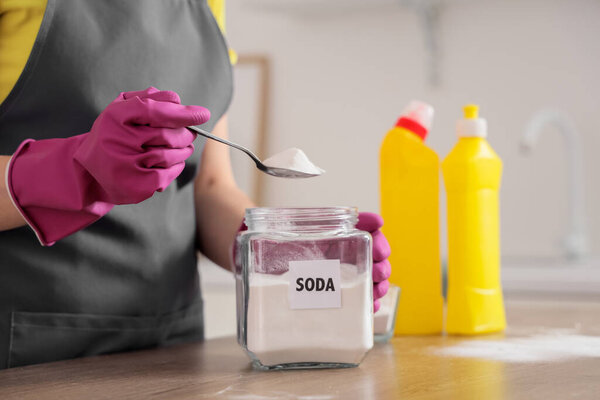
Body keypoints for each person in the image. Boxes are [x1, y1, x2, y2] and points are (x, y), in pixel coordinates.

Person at [0, 0, 391, 369]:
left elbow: (208, 186)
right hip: (30, 352)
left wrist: (280, 251)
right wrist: (73, 169)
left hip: (175, 350)